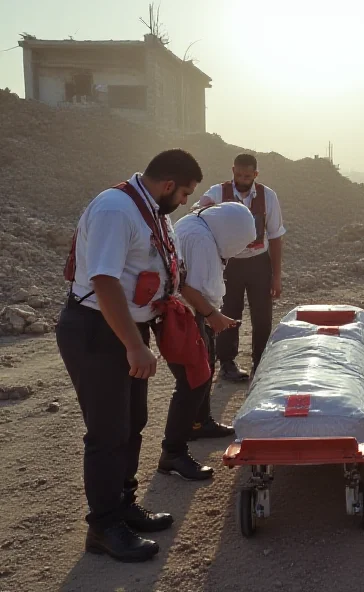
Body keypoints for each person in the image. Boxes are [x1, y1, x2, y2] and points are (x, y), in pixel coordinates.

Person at [56, 149, 204, 562]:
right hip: (97, 329)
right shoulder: (116, 209)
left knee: (132, 422)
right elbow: (103, 281)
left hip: (124, 329)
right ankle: (103, 527)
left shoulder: (152, 211)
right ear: (169, 185)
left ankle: (123, 505)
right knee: (107, 433)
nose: (186, 203)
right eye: (186, 194)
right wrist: (134, 345)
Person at [158, 201, 258, 478]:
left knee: (205, 370)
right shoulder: (201, 240)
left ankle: (200, 423)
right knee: (193, 379)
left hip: (194, 313)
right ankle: (173, 453)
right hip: (188, 315)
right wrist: (212, 314)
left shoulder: (197, 223)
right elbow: (188, 286)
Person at [194, 153, 286, 387]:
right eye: (238, 175)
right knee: (228, 312)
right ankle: (227, 363)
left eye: (247, 176)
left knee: (262, 315)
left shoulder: (268, 196)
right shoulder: (217, 193)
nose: (242, 179)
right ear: (232, 171)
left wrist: (276, 276)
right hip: (229, 263)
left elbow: (275, 236)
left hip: (258, 262)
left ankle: (260, 363)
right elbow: (196, 216)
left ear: (255, 174)